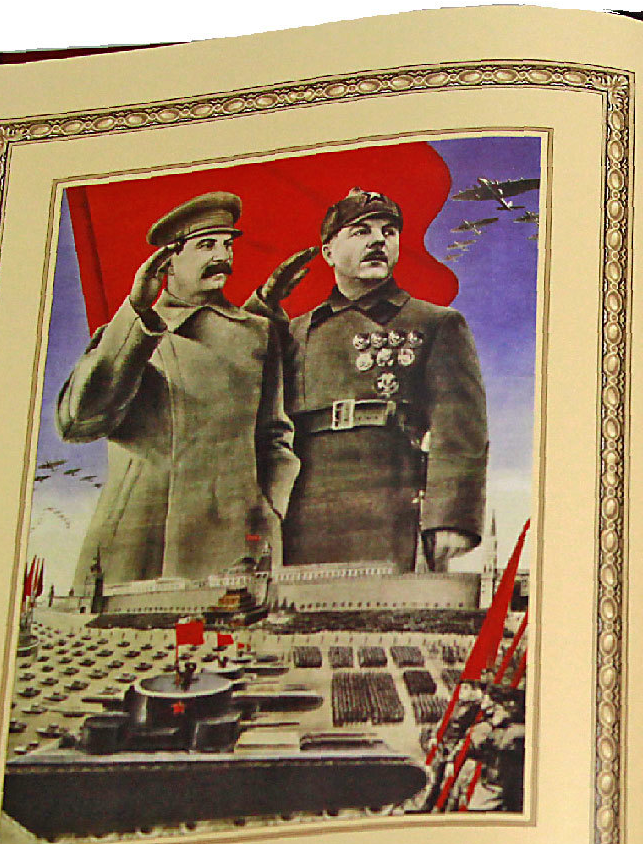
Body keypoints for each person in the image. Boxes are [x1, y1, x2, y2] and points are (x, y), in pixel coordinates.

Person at [58, 192, 300, 593]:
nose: (222, 256)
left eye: (227, 244)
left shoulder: (257, 334)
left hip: (232, 546)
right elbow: (78, 423)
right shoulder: (128, 334)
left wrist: (268, 510)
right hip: (137, 544)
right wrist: (138, 311)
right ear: (167, 261)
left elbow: (274, 437)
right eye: (206, 245)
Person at [253, 188, 487, 571]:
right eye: (361, 231)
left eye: (388, 232)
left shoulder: (435, 323)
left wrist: (450, 516)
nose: (378, 240)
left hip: (392, 497)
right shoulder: (295, 332)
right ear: (328, 251)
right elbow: (246, 395)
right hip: (306, 504)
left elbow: (460, 428)